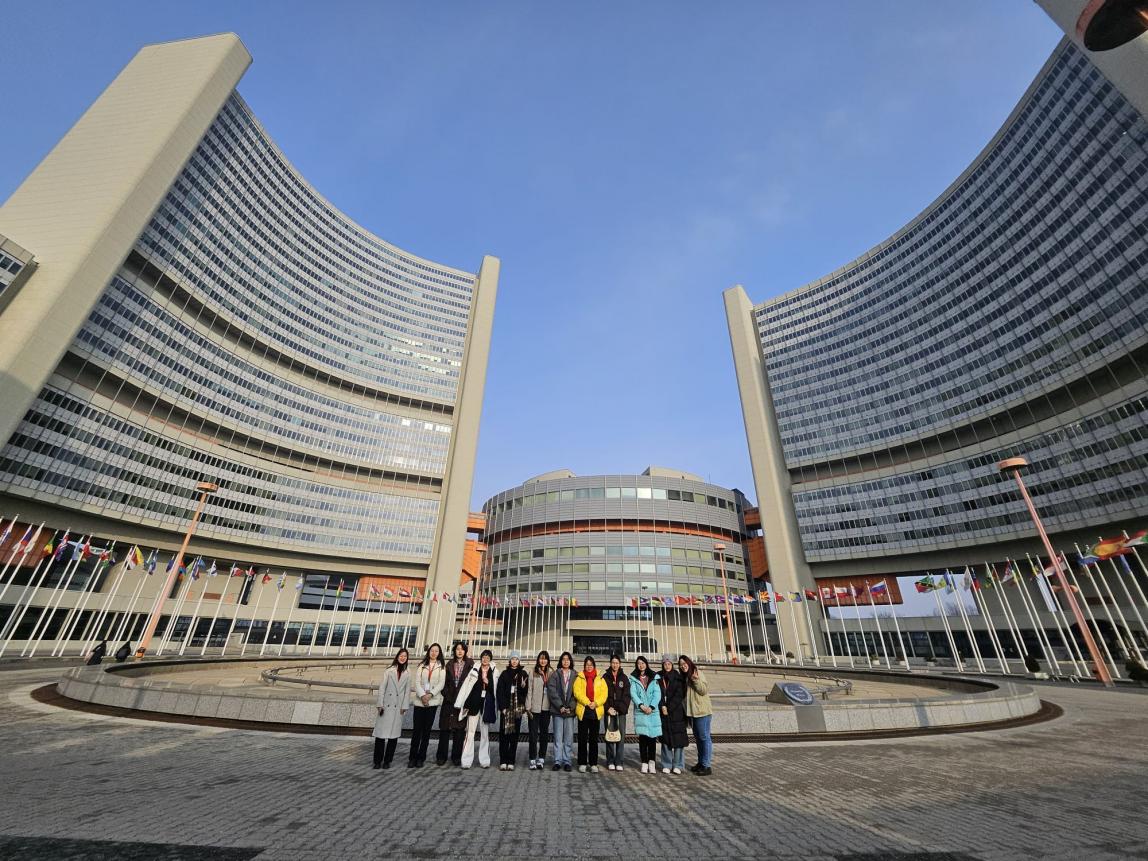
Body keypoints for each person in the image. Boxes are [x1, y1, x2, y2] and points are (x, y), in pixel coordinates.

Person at [456, 648, 498, 769]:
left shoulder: (494, 671)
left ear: (490, 659)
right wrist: (464, 704)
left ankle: (484, 760)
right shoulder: (474, 669)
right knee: (470, 733)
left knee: (485, 734)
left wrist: (488, 682)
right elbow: (467, 687)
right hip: (474, 705)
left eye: (488, 657)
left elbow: (494, 689)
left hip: (486, 706)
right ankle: (466, 761)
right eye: (483, 657)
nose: (485, 659)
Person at [408, 642, 445, 768]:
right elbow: (417, 682)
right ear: (428, 652)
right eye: (432, 650)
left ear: (439, 653)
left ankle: (421, 758)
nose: (434, 653)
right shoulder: (422, 665)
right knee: (416, 731)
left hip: (432, 702)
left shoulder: (442, 667)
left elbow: (441, 684)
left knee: (426, 732)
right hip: (419, 701)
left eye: (436, 651)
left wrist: (430, 695)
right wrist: (423, 695)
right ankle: (412, 757)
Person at [436, 642, 473, 766]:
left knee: (459, 731)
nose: (460, 651)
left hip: (462, 702)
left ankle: (456, 757)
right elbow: (443, 683)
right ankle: (441, 756)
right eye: (457, 649)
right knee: (445, 729)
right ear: (454, 651)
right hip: (449, 701)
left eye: (462, 649)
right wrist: (448, 696)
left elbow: (472, 684)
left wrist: (465, 699)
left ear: (465, 651)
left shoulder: (470, 665)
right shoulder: (449, 665)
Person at [372, 648, 409, 769]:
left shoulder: (407, 672)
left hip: (398, 707)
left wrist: (404, 706)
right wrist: (380, 703)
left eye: (405, 656)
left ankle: (387, 761)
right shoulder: (389, 670)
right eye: (401, 655)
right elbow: (382, 687)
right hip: (386, 706)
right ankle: (377, 761)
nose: (403, 658)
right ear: (397, 656)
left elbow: (407, 691)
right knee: (381, 736)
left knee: (393, 737)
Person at [628, 655, 662, 774]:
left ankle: (652, 762)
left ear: (646, 664)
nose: (641, 665)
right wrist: (641, 705)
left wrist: (651, 707)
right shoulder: (634, 678)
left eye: (643, 663)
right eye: (638, 663)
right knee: (643, 739)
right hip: (641, 711)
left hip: (652, 712)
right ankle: (644, 762)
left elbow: (657, 694)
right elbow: (633, 694)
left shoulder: (654, 677)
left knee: (652, 739)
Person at [679, 655, 712, 776]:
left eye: (684, 663)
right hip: (693, 713)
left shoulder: (697, 673)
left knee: (704, 738)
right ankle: (701, 763)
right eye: (681, 665)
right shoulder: (685, 678)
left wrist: (696, 680)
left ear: (689, 662)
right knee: (698, 739)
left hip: (702, 712)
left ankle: (707, 765)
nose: (683, 666)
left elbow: (703, 690)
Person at [496, 650, 529, 770]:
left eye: (517, 659)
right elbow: (499, 691)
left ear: (519, 661)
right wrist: (503, 708)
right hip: (506, 709)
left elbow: (526, 693)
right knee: (504, 735)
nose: (514, 661)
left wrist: (523, 687)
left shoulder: (523, 674)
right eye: (513, 659)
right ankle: (503, 760)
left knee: (514, 736)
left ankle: (511, 761)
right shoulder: (504, 674)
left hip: (517, 709)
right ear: (509, 660)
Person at [574, 655, 607, 773]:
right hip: (583, 711)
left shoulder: (600, 678)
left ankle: (593, 763)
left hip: (595, 711)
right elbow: (577, 692)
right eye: (587, 665)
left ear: (594, 666)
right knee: (582, 739)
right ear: (584, 666)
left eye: (591, 665)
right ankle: (582, 762)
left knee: (594, 739)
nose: (589, 667)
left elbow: (604, 694)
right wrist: (588, 702)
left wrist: (596, 703)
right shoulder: (579, 677)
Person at [546, 651, 577, 772]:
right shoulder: (555, 674)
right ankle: (557, 761)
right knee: (558, 737)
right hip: (558, 710)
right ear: (561, 661)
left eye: (568, 659)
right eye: (563, 659)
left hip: (570, 711)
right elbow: (551, 691)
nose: (566, 661)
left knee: (568, 737)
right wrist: (560, 706)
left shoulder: (575, 675)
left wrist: (570, 706)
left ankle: (567, 761)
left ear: (570, 661)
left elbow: (577, 693)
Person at [657, 653, 687, 775]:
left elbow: (679, 695)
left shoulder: (678, 677)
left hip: (676, 713)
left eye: (669, 664)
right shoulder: (658, 677)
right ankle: (666, 764)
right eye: (665, 664)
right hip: (663, 712)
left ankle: (678, 765)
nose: (667, 666)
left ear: (672, 665)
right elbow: (656, 693)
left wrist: (668, 707)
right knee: (665, 739)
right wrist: (662, 706)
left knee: (678, 740)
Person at [602, 652, 632, 771]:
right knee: (609, 735)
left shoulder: (624, 678)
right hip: (609, 711)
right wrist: (608, 708)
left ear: (620, 664)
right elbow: (602, 694)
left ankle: (619, 761)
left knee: (621, 736)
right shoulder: (605, 677)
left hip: (620, 713)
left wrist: (619, 709)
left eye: (617, 663)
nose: (615, 665)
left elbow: (627, 695)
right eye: (613, 663)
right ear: (610, 664)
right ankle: (610, 760)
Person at [526, 650, 552, 770]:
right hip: (534, 708)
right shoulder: (533, 671)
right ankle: (532, 758)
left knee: (544, 734)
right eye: (541, 658)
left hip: (546, 708)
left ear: (548, 660)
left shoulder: (551, 672)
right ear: (538, 660)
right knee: (533, 734)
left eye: (545, 658)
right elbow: (529, 689)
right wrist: (528, 706)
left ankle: (541, 758)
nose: (543, 661)